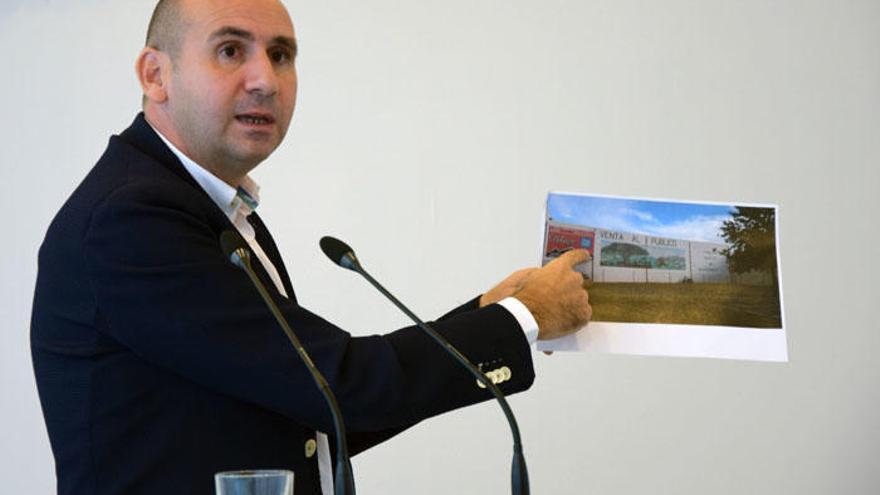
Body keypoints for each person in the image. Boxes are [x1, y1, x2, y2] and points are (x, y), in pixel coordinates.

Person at [30, 1, 592, 494]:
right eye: (230, 50)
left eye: (281, 55)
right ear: (156, 74)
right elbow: (339, 386)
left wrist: (484, 314)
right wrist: (522, 319)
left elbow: (311, 405)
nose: (265, 80)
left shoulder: (211, 207)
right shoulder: (131, 219)